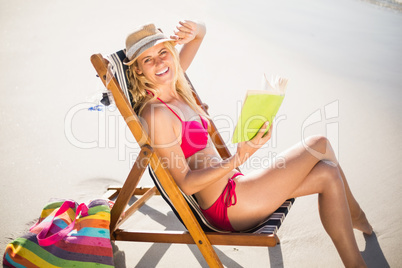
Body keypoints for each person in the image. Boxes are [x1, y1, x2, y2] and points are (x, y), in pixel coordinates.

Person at [123, 20, 373, 267]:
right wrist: (238, 158)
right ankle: (357, 216)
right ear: (137, 70)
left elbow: (201, 34)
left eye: (163, 52)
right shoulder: (156, 115)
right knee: (319, 143)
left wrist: (194, 30)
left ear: (172, 54)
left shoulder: (175, 85)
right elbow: (187, 185)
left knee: (328, 173)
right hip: (230, 206)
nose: (159, 62)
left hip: (237, 187)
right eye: (148, 59)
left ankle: (355, 248)